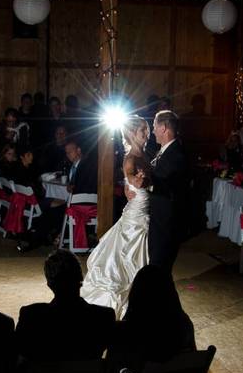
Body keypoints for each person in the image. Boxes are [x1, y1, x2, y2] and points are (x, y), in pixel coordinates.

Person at [80, 116, 152, 318]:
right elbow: (131, 177)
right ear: (131, 133)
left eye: (147, 130)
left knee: (139, 259)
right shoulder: (130, 158)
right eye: (142, 131)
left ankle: (138, 295)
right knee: (126, 259)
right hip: (135, 216)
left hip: (144, 213)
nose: (147, 135)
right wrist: (135, 182)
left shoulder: (145, 155)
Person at [145, 110, 189, 271]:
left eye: (155, 125)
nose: (153, 130)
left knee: (160, 269)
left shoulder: (176, 155)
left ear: (164, 128)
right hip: (158, 221)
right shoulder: (165, 151)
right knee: (158, 270)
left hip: (166, 224)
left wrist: (145, 182)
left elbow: (169, 186)